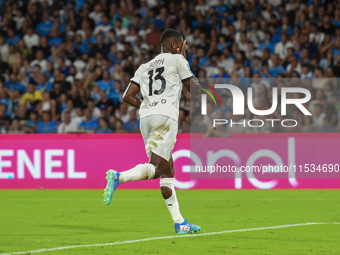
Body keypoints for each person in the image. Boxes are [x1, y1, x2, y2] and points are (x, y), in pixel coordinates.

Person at [103, 29, 201, 234]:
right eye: (183, 45)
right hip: (165, 117)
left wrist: (148, 106)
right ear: (175, 45)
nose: (184, 48)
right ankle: (118, 177)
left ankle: (180, 223)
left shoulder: (145, 66)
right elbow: (196, 91)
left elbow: (127, 96)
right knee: (156, 169)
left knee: (168, 170)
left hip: (146, 118)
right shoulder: (177, 60)